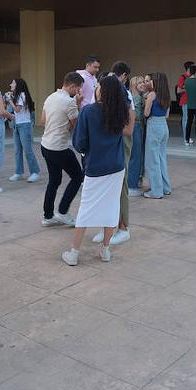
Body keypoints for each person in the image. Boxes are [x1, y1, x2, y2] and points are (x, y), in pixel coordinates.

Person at [63, 75, 134, 266]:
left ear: (101, 90)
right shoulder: (120, 112)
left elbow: (79, 143)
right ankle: (105, 249)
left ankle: (74, 252)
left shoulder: (88, 111)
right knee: (112, 208)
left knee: (86, 208)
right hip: (116, 166)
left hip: (95, 166)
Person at [97, 61, 133, 246]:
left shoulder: (124, 94)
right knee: (107, 186)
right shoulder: (112, 91)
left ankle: (123, 227)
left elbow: (128, 129)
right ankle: (107, 226)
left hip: (119, 143)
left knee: (121, 185)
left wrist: (108, 128)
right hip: (110, 144)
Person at [40, 72, 84, 226]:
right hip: (59, 147)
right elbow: (75, 125)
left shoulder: (50, 97)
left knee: (54, 180)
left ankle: (48, 216)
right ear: (72, 86)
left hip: (46, 144)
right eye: (78, 89)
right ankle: (63, 212)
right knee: (78, 177)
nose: (78, 92)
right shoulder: (69, 102)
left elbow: (43, 120)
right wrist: (78, 104)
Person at [142, 72, 172, 198]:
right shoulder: (166, 96)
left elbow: (146, 113)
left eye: (151, 80)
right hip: (164, 126)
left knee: (152, 160)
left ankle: (156, 191)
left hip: (153, 125)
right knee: (161, 158)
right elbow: (167, 115)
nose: (148, 82)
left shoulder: (152, 95)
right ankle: (166, 187)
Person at [7, 78, 40, 183]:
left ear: (18, 85)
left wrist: (10, 100)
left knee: (27, 150)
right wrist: (10, 99)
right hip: (17, 125)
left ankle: (34, 172)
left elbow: (17, 109)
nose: (10, 84)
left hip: (24, 125)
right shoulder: (17, 95)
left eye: (13, 83)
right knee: (17, 150)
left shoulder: (22, 95)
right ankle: (18, 172)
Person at [127, 76, 147, 197]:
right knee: (136, 156)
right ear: (134, 84)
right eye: (139, 82)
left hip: (138, 126)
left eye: (143, 82)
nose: (142, 84)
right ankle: (132, 185)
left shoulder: (138, 97)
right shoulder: (136, 98)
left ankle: (135, 181)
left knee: (136, 155)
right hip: (137, 126)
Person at [176, 62, 194, 143]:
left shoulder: (192, 77)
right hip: (185, 101)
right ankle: (186, 138)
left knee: (190, 119)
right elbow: (179, 90)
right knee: (185, 119)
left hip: (193, 101)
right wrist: (188, 88)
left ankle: (188, 137)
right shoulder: (183, 77)